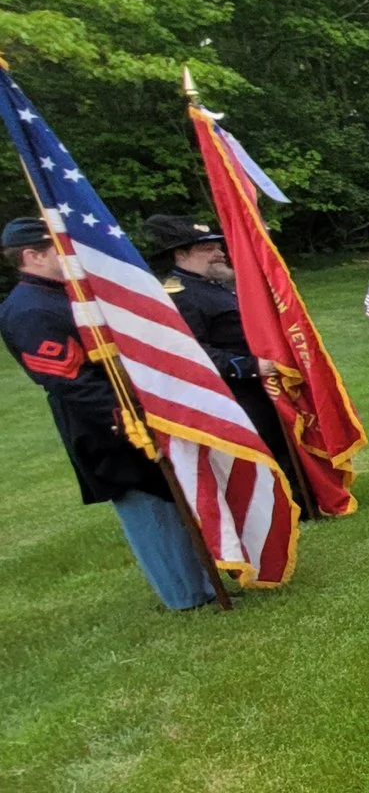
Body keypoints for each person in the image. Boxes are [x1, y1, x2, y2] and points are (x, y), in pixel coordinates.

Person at [2, 216, 219, 609]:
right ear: (31, 256)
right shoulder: (29, 309)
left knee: (169, 495)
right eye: (58, 248)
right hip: (105, 424)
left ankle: (202, 579)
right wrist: (130, 416)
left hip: (134, 409)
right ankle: (185, 593)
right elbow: (70, 382)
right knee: (147, 502)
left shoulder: (68, 293)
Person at [141, 213, 316, 515]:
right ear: (181, 254)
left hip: (260, 382)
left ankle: (304, 501)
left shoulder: (216, 286)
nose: (219, 252)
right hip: (232, 388)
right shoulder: (179, 295)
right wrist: (248, 366)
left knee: (284, 442)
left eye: (217, 245)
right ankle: (281, 512)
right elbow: (190, 350)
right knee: (264, 449)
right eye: (206, 248)